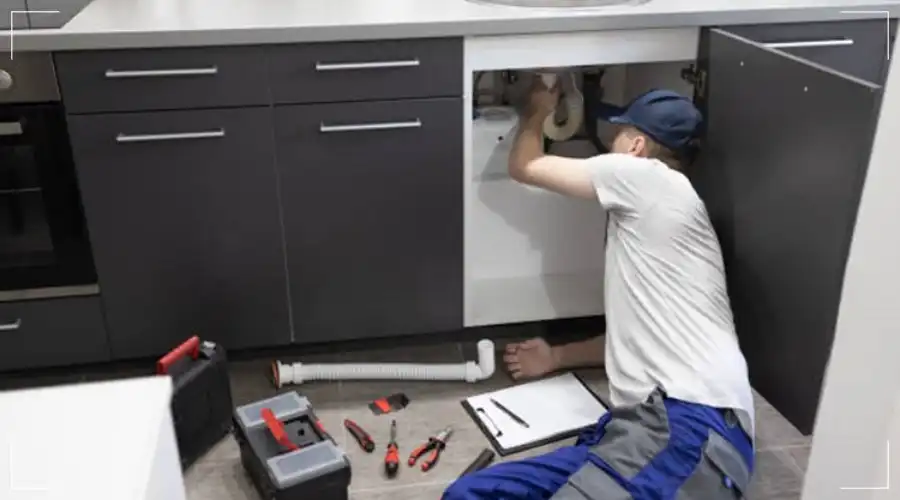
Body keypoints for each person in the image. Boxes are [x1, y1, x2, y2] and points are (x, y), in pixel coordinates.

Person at [443, 79, 756, 499]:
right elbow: (637, 338)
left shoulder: (646, 177)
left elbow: (526, 166)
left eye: (619, 134)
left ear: (637, 147)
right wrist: (556, 356)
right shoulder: (665, 219)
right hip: (650, 429)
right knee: (468, 494)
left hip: (688, 427)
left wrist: (537, 109)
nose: (610, 143)